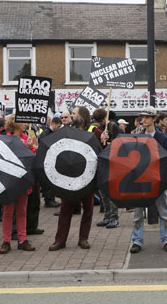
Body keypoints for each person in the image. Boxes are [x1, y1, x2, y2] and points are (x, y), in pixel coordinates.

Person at [49, 106, 99, 251]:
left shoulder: (94, 132)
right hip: (69, 178)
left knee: (88, 209)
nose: (71, 115)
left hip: (87, 177)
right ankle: (60, 240)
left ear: (81, 116)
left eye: (74, 113)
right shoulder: (67, 131)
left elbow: (99, 152)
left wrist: (103, 140)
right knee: (66, 209)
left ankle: (83, 239)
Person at [130, 106, 167, 254]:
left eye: (147, 117)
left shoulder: (162, 138)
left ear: (154, 119)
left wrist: (165, 181)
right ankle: (136, 240)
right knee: (138, 213)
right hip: (140, 180)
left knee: (163, 211)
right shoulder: (138, 136)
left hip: (156, 180)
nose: (143, 119)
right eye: (142, 117)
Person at [0, 115, 36, 254]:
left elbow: (31, 158)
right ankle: (6, 241)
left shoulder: (27, 138)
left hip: (23, 179)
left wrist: (31, 148)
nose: (26, 124)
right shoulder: (5, 138)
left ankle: (22, 239)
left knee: (22, 211)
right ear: (15, 124)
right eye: (23, 122)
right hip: (9, 179)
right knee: (8, 212)